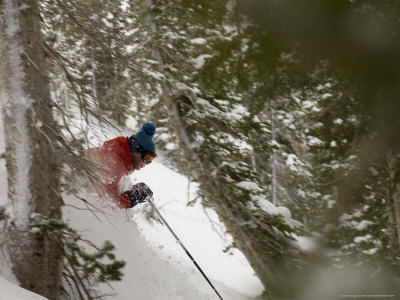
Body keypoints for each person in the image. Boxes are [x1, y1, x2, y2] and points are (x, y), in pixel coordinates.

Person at [88, 122, 157, 208]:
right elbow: (107, 197)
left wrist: (133, 191)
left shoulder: (123, 159)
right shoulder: (115, 161)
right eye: (147, 158)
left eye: (151, 159)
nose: (147, 163)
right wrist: (132, 197)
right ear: (136, 150)